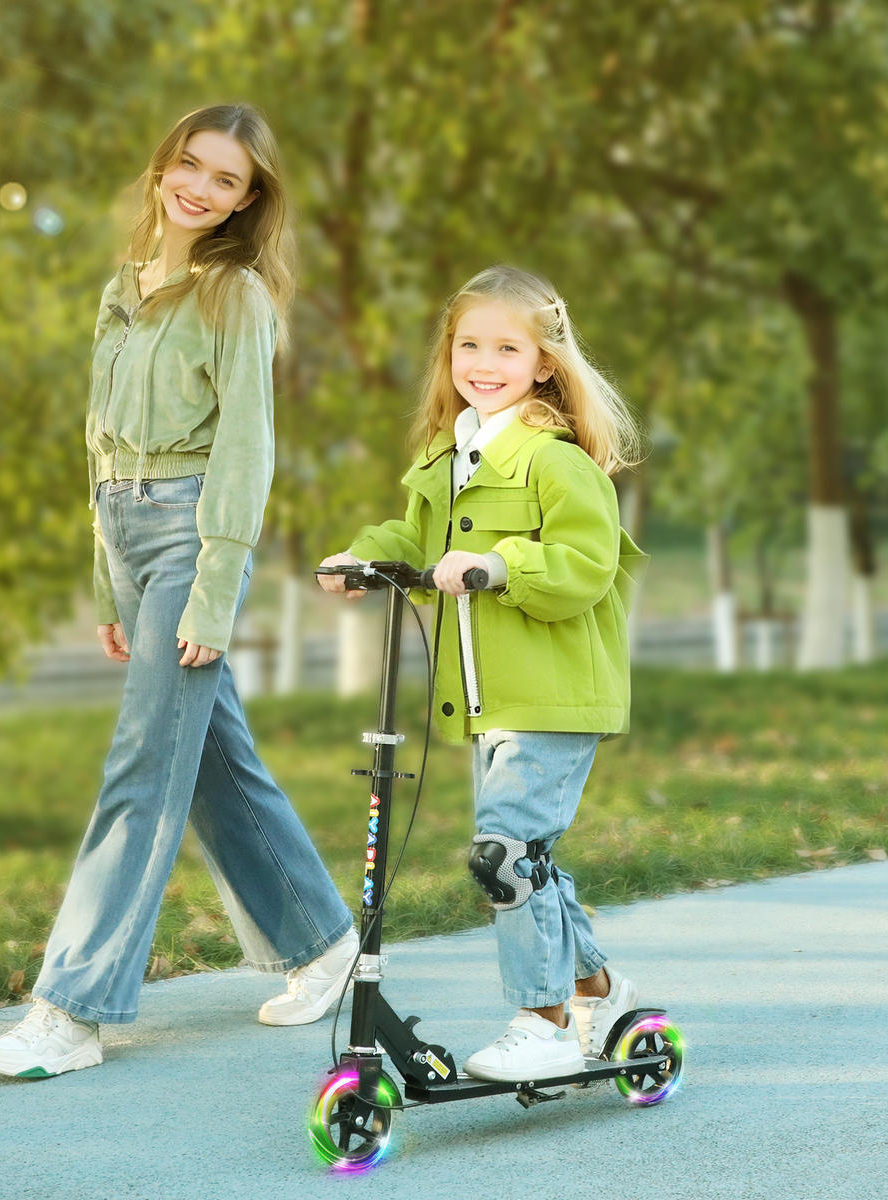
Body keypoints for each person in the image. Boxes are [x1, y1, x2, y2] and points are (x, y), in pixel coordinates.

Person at [0, 104, 357, 1080]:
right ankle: (322, 944)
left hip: (194, 534)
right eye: (191, 164)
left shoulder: (235, 296)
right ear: (163, 168)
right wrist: (108, 578)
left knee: (144, 767)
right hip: (129, 532)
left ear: (248, 200)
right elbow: (98, 441)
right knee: (214, 762)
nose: (200, 187)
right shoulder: (124, 288)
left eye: (226, 179)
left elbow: (245, 449)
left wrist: (214, 587)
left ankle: (73, 1010)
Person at [318, 264, 649, 1083]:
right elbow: (415, 533)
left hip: (554, 694)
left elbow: (584, 562)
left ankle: (542, 1020)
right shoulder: (449, 454)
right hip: (484, 700)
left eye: (507, 346)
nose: (484, 361)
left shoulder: (554, 460)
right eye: (469, 343)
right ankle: (600, 992)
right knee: (525, 856)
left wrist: (498, 565)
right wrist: (368, 555)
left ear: (545, 363)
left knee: (501, 856)